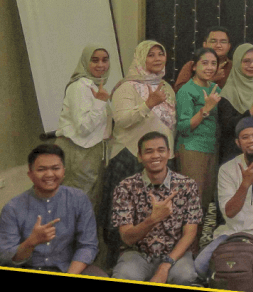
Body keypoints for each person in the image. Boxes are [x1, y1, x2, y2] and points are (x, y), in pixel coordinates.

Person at [196, 117, 253, 292]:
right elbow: (229, 213)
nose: (251, 140)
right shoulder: (227, 169)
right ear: (238, 143)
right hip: (233, 232)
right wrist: (245, 184)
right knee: (200, 266)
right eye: (245, 137)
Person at [105, 41, 176, 255]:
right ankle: (119, 256)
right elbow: (122, 120)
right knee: (125, 212)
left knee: (153, 209)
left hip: (160, 158)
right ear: (140, 58)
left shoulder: (166, 87)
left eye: (160, 54)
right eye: (150, 55)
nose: (157, 58)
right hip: (130, 157)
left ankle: (151, 252)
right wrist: (148, 103)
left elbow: (170, 123)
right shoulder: (127, 87)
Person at [110, 132, 202, 284]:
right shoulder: (125, 187)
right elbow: (127, 237)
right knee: (124, 275)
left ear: (169, 153)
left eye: (161, 150)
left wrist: (165, 266)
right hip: (138, 254)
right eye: (149, 151)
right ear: (139, 156)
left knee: (184, 276)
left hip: (175, 255)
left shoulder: (187, 185)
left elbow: (190, 233)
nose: (155, 156)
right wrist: (153, 219)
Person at [0, 144, 103, 276]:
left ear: (64, 171)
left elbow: (88, 246)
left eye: (55, 168)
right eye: (41, 169)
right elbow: (5, 256)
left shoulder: (79, 199)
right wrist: (31, 243)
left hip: (70, 268)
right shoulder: (13, 208)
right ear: (30, 174)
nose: (49, 174)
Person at [55, 45, 112, 220]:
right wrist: (100, 103)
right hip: (78, 150)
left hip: (91, 151)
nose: (101, 65)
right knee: (77, 205)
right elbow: (83, 127)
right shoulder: (79, 86)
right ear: (85, 62)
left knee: (89, 204)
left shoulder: (94, 85)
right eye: (94, 60)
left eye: (105, 60)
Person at [175, 47, 221, 216]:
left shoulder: (215, 88)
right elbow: (183, 127)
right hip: (192, 148)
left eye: (213, 63)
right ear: (194, 66)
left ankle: (199, 234)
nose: (210, 67)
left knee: (206, 201)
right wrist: (205, 109)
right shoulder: (186, 91)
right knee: (191, 202)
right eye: (205, 63)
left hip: (212, 148)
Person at [174, 27, 233, 91]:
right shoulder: (193, 65)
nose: (218, 45)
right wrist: (210, 79)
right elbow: (179, 90)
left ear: (229, 46)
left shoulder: (234, 66)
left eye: (223, 42)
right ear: (205, 45)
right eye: (213, 41)